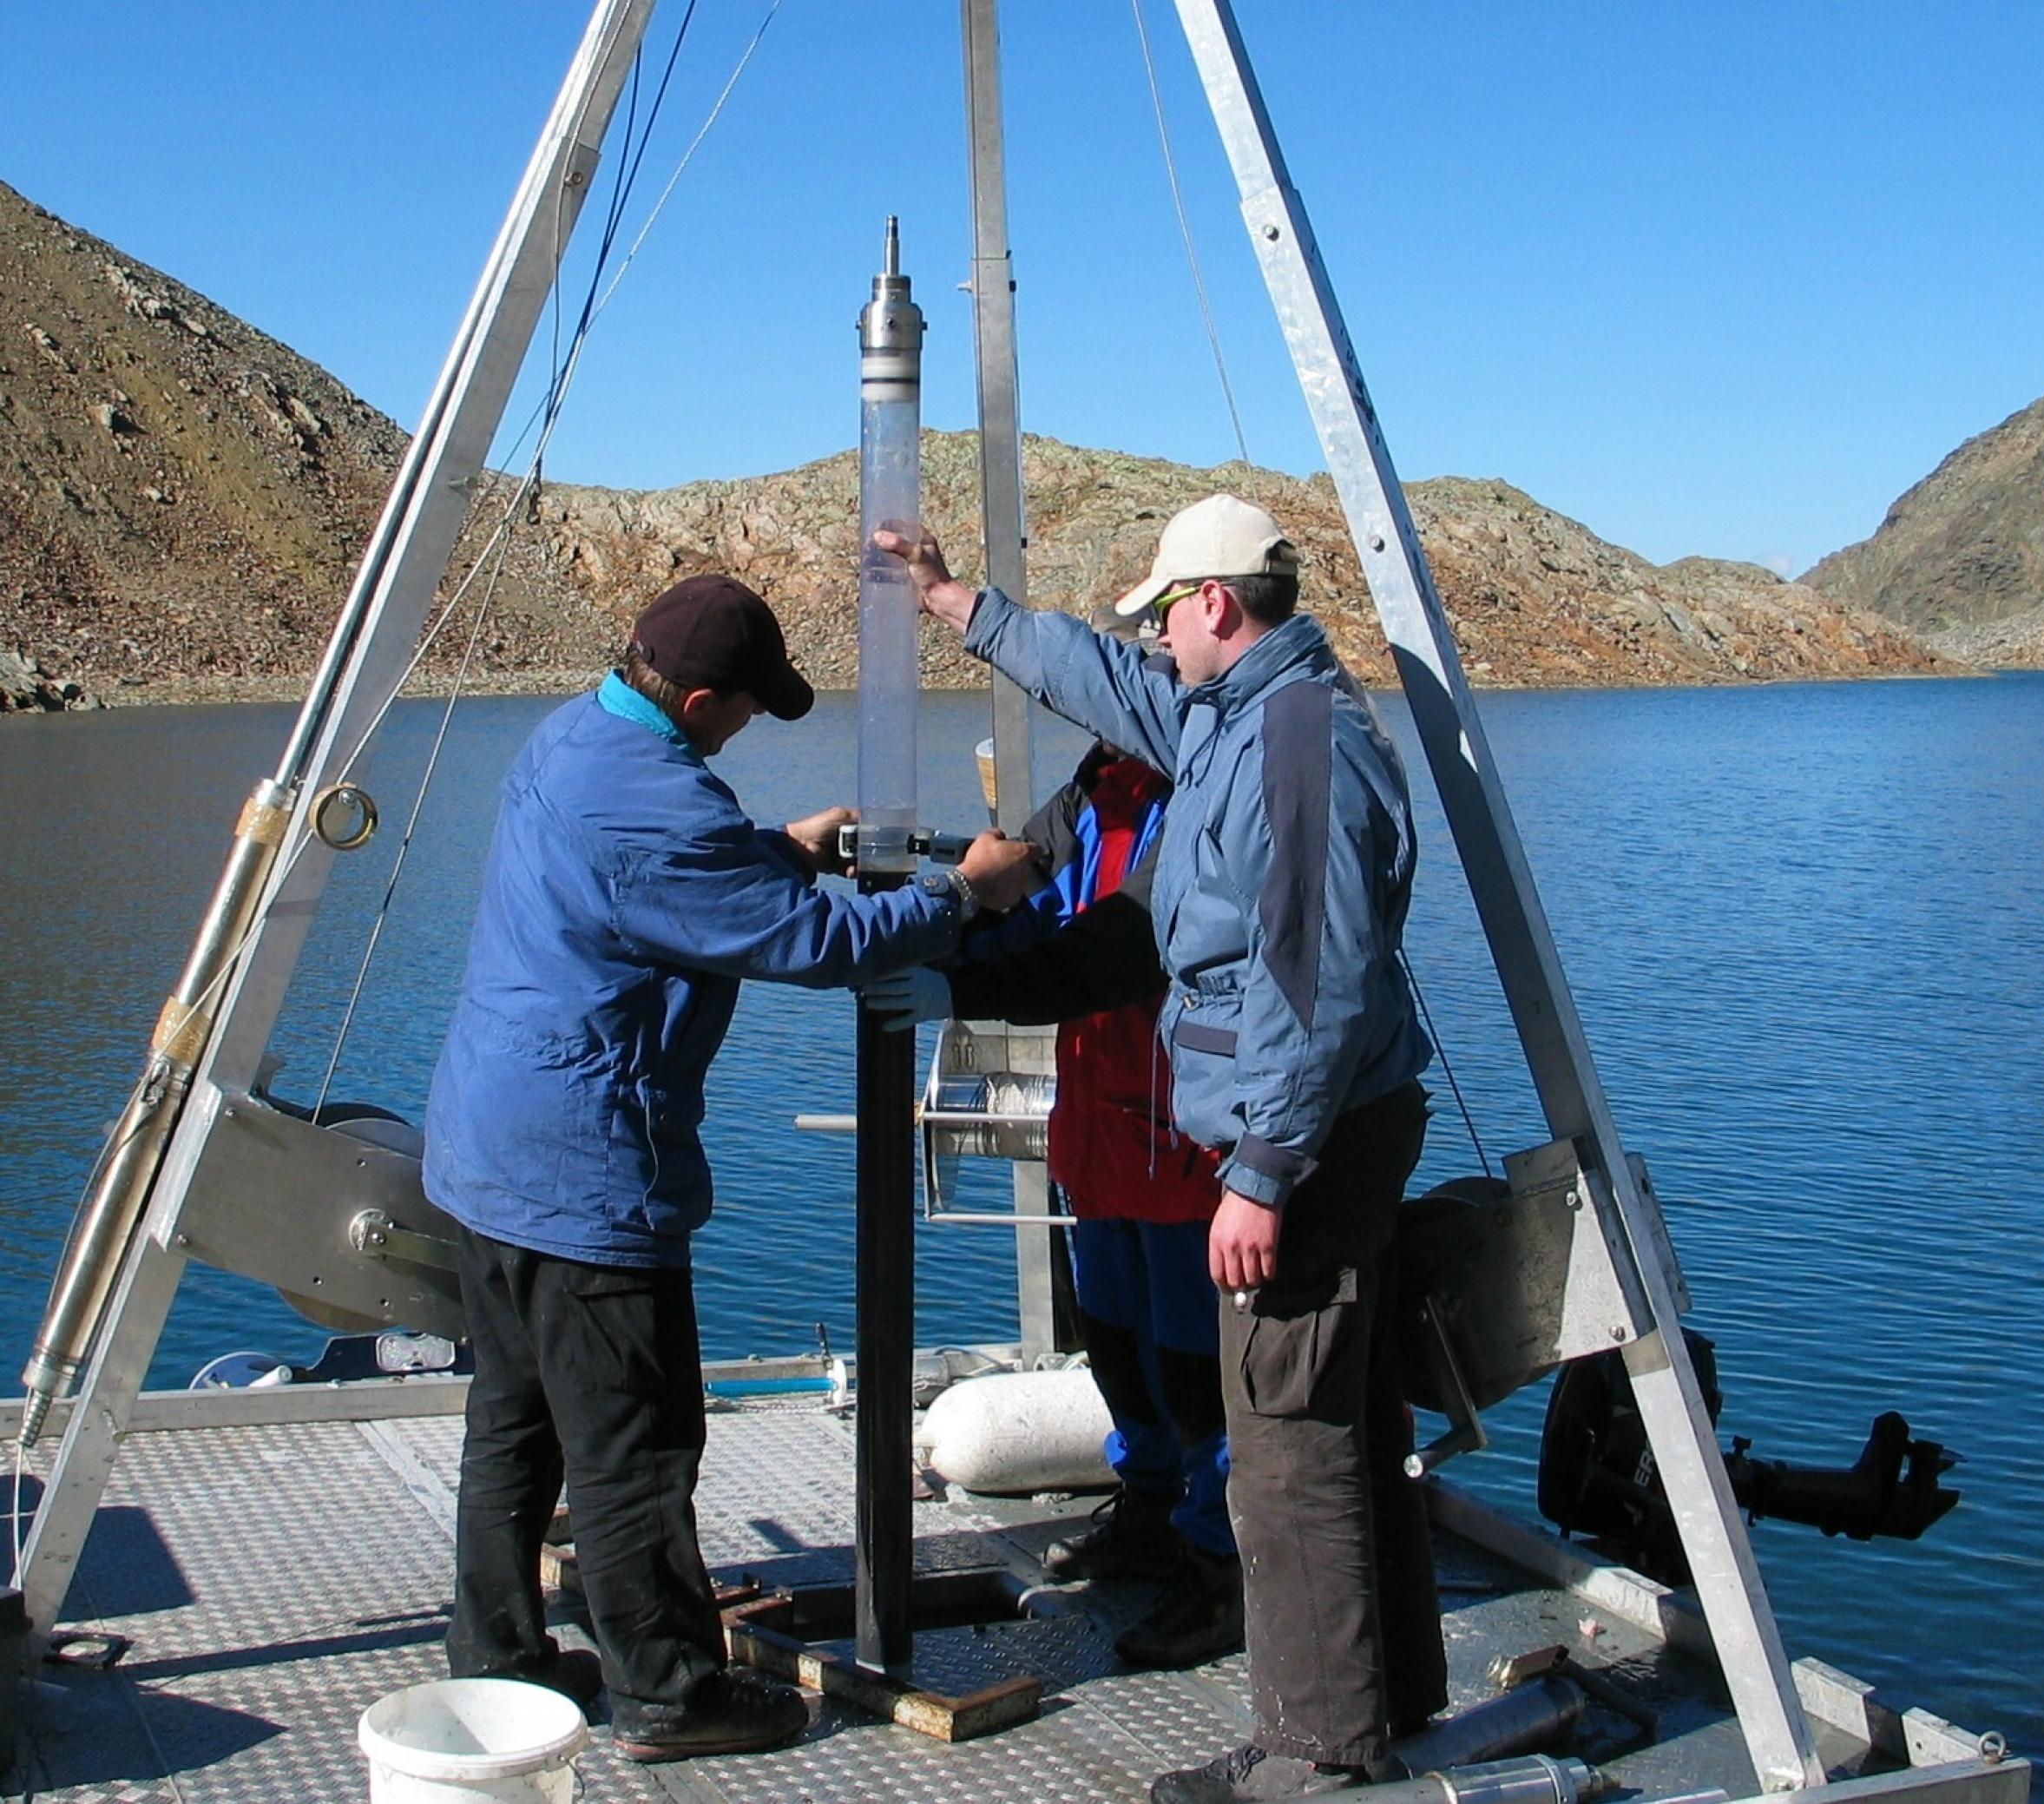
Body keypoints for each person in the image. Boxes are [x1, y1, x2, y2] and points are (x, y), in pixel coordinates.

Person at [877, 497, 1447, 1801]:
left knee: (1290, 1442)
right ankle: (1388, 1693)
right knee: (1348, 1419)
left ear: (1213, 604)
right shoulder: (1238, 713)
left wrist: (1258, 1171)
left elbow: (1315, 981)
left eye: (1163, 613)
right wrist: (957, 604)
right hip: (1310, 1127)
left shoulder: (1294, 745)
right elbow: (1107, 675)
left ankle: (1314, 1748)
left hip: (1308, 1140)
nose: (1152, 639)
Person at [423, 572, 1038, 1764]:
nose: (749, 725)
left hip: (484, 1154)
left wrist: (771, 847)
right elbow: (808, 941)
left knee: (515, 1419)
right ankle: (668, 1693)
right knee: (636, 1444)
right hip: (582, 1171)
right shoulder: (660, 803)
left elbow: (667, 880)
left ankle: (496, 1651)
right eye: (745, 709)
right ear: (699, 698)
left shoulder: (576, 731)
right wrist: (961, 893)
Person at [867, 735, 1241, 1670]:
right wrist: (936, 926)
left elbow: (1116, 949)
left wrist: (957, 985)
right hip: (1101, 1132)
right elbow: (1028, 901)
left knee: (1197, 1364)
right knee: (1112, 1334)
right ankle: (1150, 1506)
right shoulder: (1096, 785)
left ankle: (1222, 1560)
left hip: (1180, 1136)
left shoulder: (1214, 789)